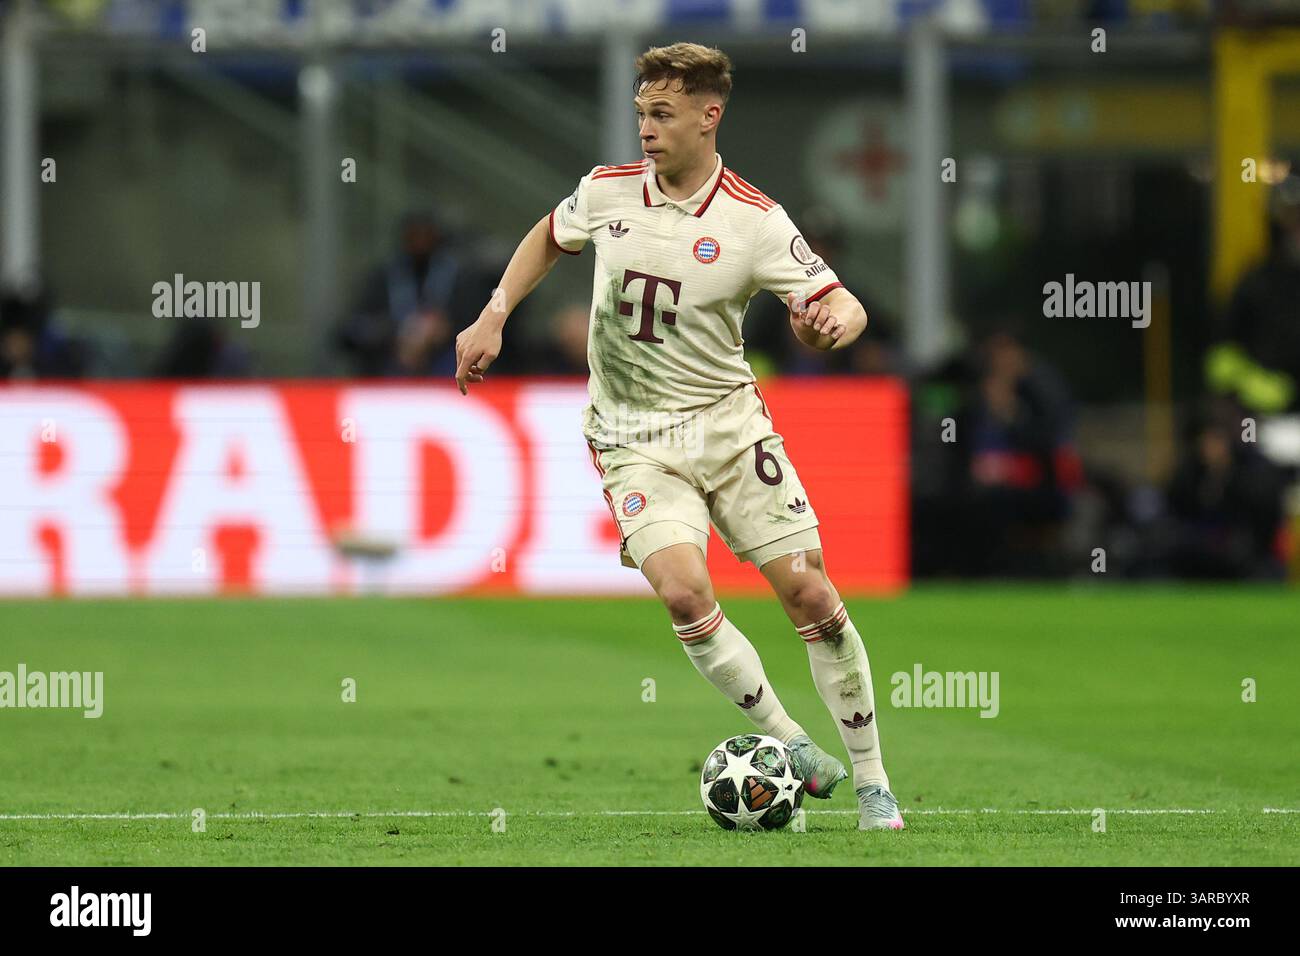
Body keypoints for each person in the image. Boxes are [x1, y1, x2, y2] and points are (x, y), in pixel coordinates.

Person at [453, 42, 902, 831]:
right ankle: (794, 744)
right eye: (641, 113)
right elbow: (547, 237)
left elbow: (841, 302)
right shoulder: (607, 191)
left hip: (729, 429)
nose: (646, 130)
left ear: (708, 115)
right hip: (632, 436)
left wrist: (833, 325)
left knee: (812, 596)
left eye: (662, 114)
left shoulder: (755, 220)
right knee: (685, 592)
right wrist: (494, 313)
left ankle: (873, 784)